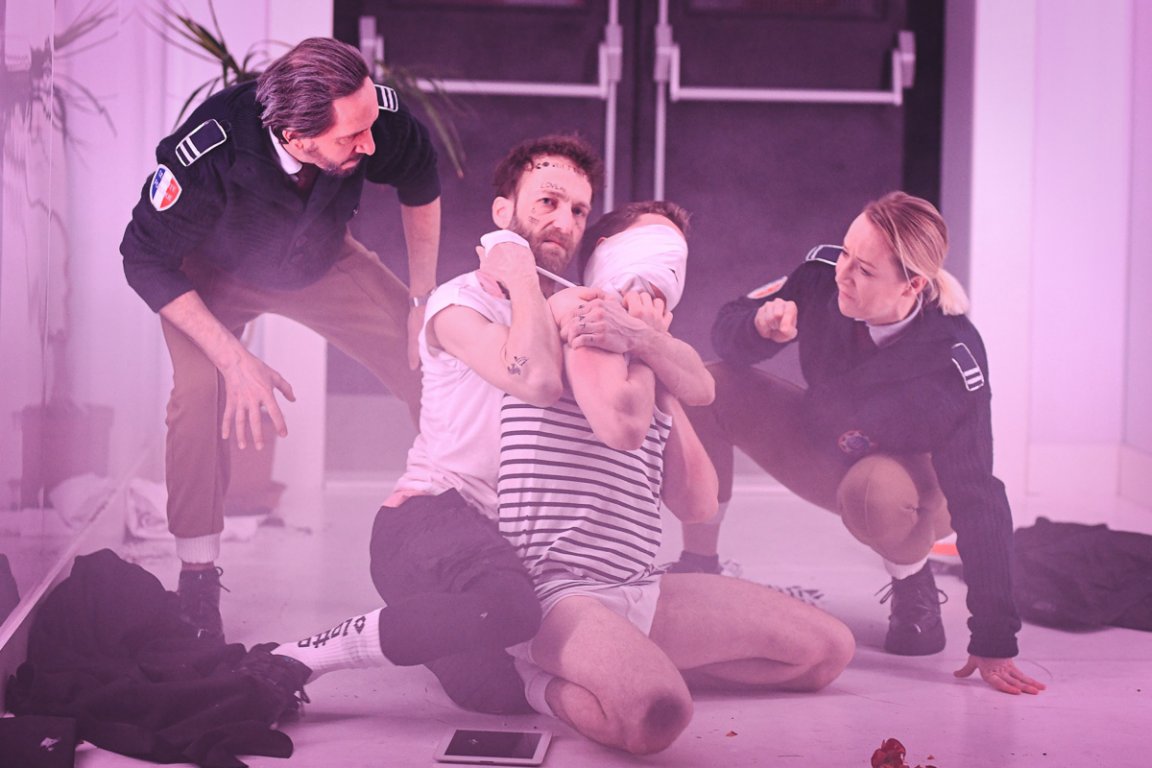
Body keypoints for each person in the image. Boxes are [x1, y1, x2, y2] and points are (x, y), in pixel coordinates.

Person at [498, 202, 856, 754]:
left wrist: (653, 356)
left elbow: (697, 504)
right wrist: (644, 345)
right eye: (654, 247)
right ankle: (531, 681)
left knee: (826, 652)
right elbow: (621, 426)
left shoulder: (646, 344)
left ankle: (625, 662)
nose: (666, 270)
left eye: (677, 260)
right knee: (655, 716)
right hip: (556, 592)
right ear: (606, 252)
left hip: (638, 586)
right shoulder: (582, 314)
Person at [120, 38, 441, 643]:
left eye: (369, 126)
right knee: (198, 393)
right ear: (295, 136)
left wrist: (421, 301)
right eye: (352, 138)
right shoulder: (209, 149)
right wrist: (232, 357)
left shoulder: (370, 112)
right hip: (208, 277)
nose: (370, 144)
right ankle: (197, 578)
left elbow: (420, 176)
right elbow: (142, 257)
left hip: (318, 260)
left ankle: (469, 529)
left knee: (430, 364)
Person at [272, 135, 603, 715]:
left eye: (579, 211)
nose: (565, 222)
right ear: (502, 213)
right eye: (548, 202)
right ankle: (302, 656)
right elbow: (536, 380)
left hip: (502, 541)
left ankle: (445, 626)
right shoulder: (456, 305)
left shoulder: (566, 308)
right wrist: (522, 276)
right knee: (511, 612)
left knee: (500, 692)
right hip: (425, 521)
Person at [670, 191, 1046, 696]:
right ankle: (699, 563)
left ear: (913, 284)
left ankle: (912, 584)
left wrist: (995, 637)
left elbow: (979, 497)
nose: (843, 274)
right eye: (846, 252)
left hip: (912, 485)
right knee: (707, 386)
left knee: (874, 492)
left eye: (865, 270)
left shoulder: (952, 358)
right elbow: (728, 329)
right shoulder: (822, 275)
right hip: (826, 440)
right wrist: (758, 329)